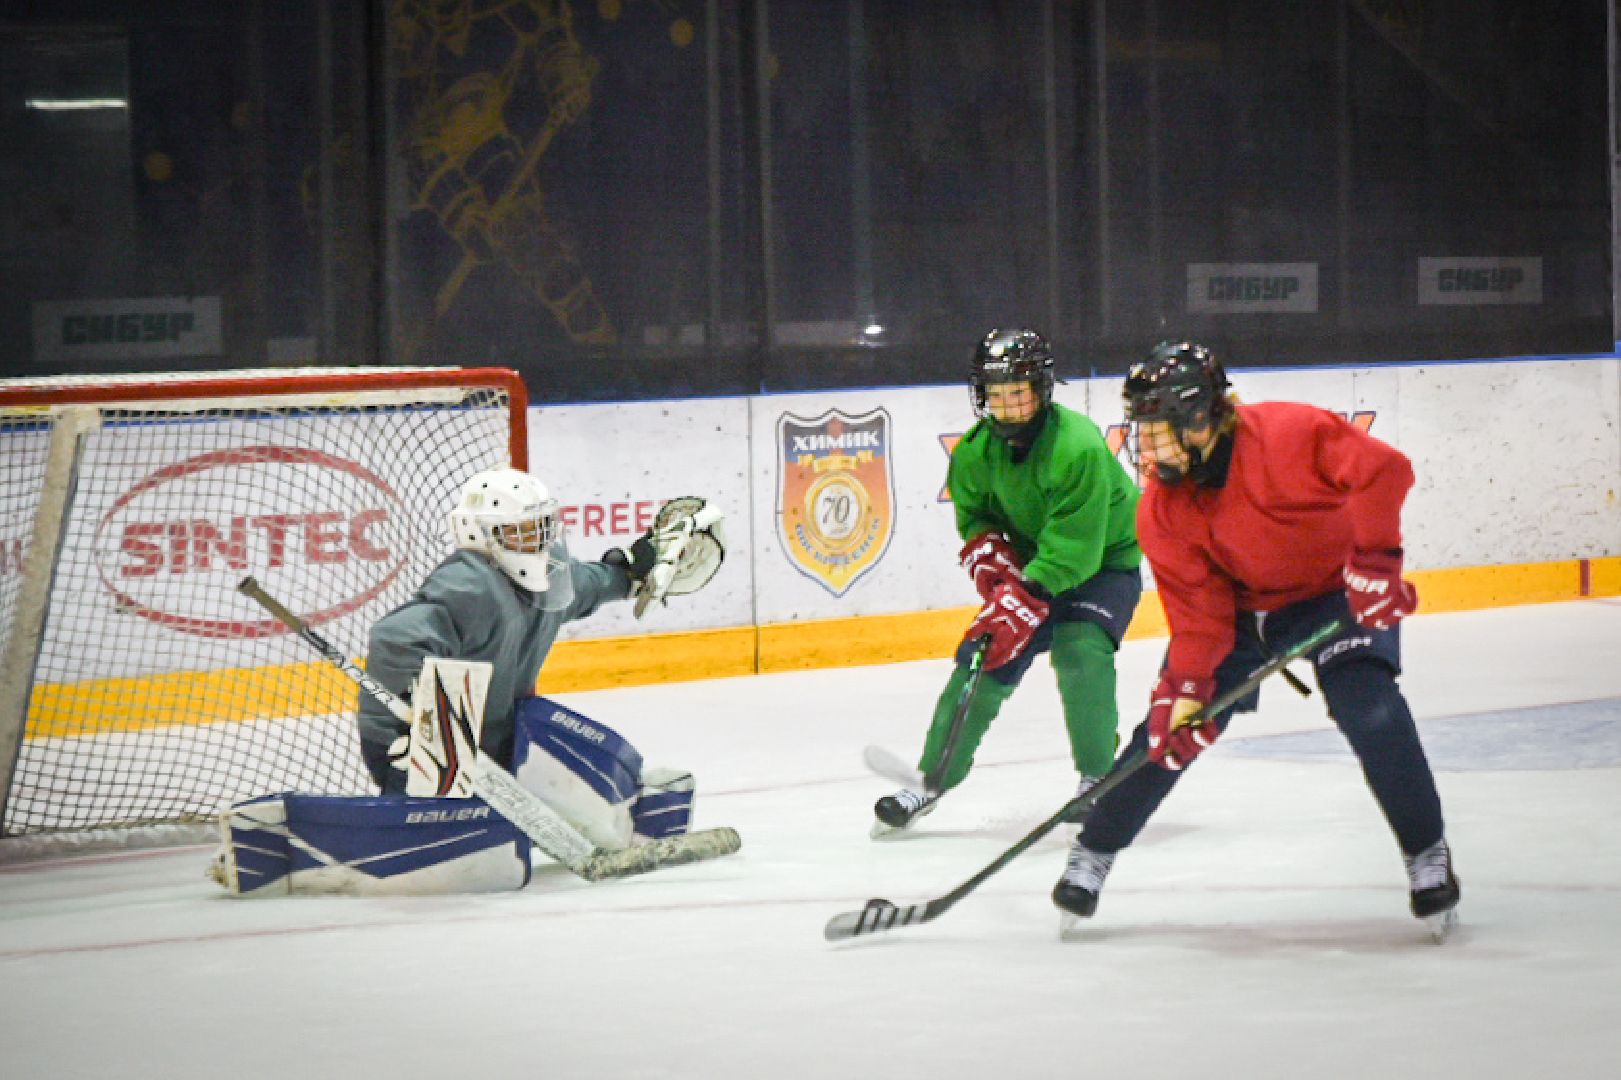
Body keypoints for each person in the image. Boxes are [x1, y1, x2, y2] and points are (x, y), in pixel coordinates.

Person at [1053, 340, 1459, 934]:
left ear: (1202, 419)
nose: (1149, 446)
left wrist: (1376, 564)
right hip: (1242, 617)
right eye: (1144, 430)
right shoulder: (1163, 509)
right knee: (1169, 731)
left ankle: (1426, 853)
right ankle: (1095, 850)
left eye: (1160, 429)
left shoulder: (1291, 434)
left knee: (1369, 708)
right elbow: (1199, 615)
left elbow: (1385, 471)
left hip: (1333, 594)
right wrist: (1187, 686)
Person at [872, 328, 1144, 837]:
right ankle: (931, 781)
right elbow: (975, 519)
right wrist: (992, 563)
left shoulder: (1078, 446)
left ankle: (1096, 777)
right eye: (997, 394)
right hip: (1033, 570)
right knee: (983, 651)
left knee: (1080, 648)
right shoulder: (973, 454)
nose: (1009, 406)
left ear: (1042, 389)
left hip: (1102, 567)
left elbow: (1077, 547)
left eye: (1018, 392)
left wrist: (1026, 597)